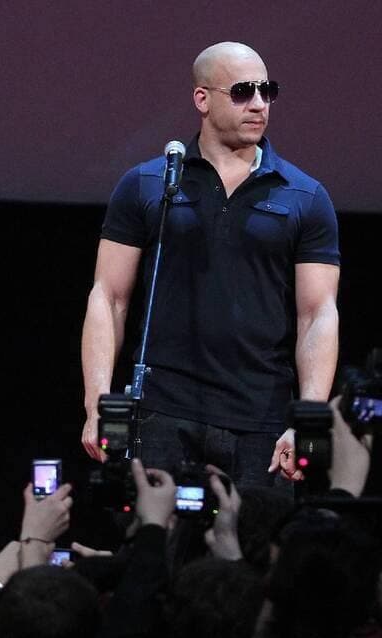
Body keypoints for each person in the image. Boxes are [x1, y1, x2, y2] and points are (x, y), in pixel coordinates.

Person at [80, 42, 339, 488]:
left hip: (263, 421)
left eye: (267, 91)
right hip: (162, 415)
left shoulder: (305, 196)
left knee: (255, 553)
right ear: (203, 99)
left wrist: (308, 420)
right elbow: (109, 297)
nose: (259, 104)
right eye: (242, 91)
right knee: (158, 553)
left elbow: (317, 314)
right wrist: (98, 405)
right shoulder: (148, 183)